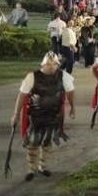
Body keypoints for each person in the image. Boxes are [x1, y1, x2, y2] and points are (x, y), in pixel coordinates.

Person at [10, 52, 76, 181]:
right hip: (35, 116)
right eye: (48, 64)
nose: (51, 67)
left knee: (47, 142)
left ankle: (42, 166)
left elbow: (70, 91)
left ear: (57, 64)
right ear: (43, 64)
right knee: (33, 142)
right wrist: (16, 113)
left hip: (53, 116)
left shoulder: (64, 76)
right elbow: (22, 95)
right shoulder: (32, 77)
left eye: (53, 64)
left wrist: (73, 107)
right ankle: (31, 168)